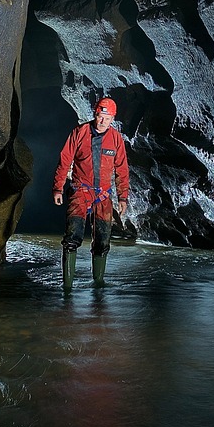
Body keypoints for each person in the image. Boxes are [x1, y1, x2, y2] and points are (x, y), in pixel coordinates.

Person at [52, 96, 130, 289]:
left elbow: (122, 169)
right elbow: (65, 161)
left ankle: (98, 284)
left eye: (107, 118)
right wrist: (58, 188)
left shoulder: (116, 139)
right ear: (95, 114)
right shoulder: (79, 133)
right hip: (80, 192)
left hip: (103, 195)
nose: (102, 121)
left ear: (113, 119)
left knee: (102, 242)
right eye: (99, 116)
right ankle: (67, 287)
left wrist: (123, 197)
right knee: (72, 238)